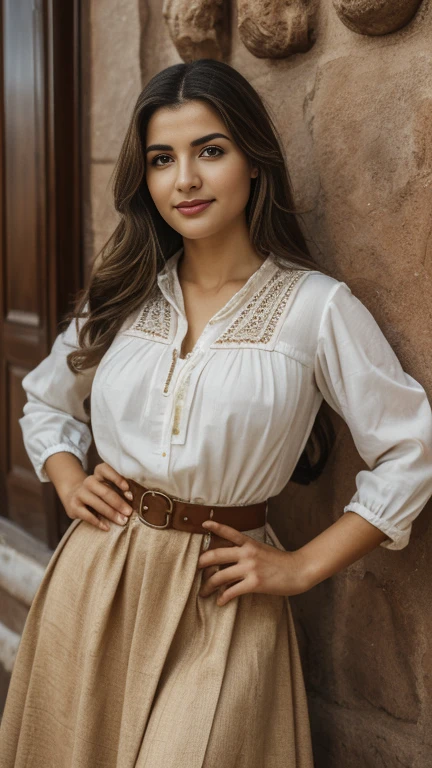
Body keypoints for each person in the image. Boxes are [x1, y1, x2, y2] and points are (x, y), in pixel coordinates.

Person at [1, 58, 432, 768]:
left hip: (223, 593)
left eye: (211, 150)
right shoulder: (123, 295)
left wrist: (301, 567)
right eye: (162, 159)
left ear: (254, 162)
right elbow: (47, 397)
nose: (185, 180)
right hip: (99, 577)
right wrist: (68, 477)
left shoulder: (316, 309)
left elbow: (411, 448)